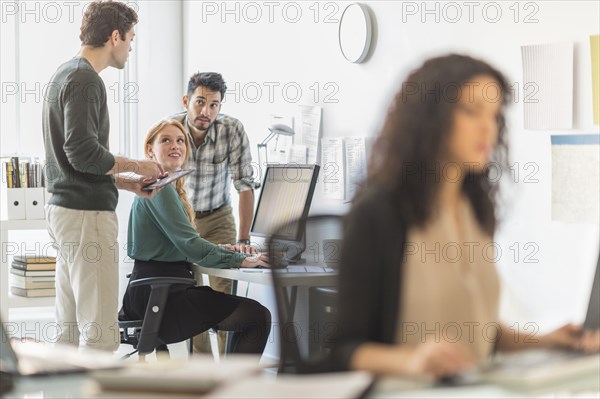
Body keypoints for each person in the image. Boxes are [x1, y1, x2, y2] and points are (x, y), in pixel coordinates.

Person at [334, 54, 600, 379]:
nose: (487, 128)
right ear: (430, 116)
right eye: (472, 112)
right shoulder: (380, 212)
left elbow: (480, 333)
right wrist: (411, 361)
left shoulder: (474, 207)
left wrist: (548, 340)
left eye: (495, 115)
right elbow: (343, 350)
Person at [42, 2, 165, 351]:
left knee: (68, 334)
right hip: (86, 217)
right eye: (130, 38)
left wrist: (126, 184)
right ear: (115, 36)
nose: (131, 46)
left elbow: (71, 163)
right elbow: (82, 153)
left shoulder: (63, 74)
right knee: (100, 337)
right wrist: (139, 166)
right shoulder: (85, 79)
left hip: (65, 213)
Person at [120, 119, 271, 354]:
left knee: (246, 315)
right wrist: (241, 260)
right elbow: (190, 246)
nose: (176, 146)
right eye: (166, 140)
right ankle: (235, 390)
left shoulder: (163, 186)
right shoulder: (160, 187)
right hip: (163, 298)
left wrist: (227, 250)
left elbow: (178, 246)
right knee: (257, 317)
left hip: (153, 293)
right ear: (150, 149)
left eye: (181, 141)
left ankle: (227, 387)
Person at [168, 72, 255, 354]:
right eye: (200, 102)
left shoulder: (232, 130)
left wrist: (243, 239)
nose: (206, 111)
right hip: (184, 222)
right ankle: (202, 373)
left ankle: (228, 372)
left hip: (219, 218)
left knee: (224, 299)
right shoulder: (171, 131)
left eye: (214, 104)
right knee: (191, 299)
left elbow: (244, 185)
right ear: (187, 100)